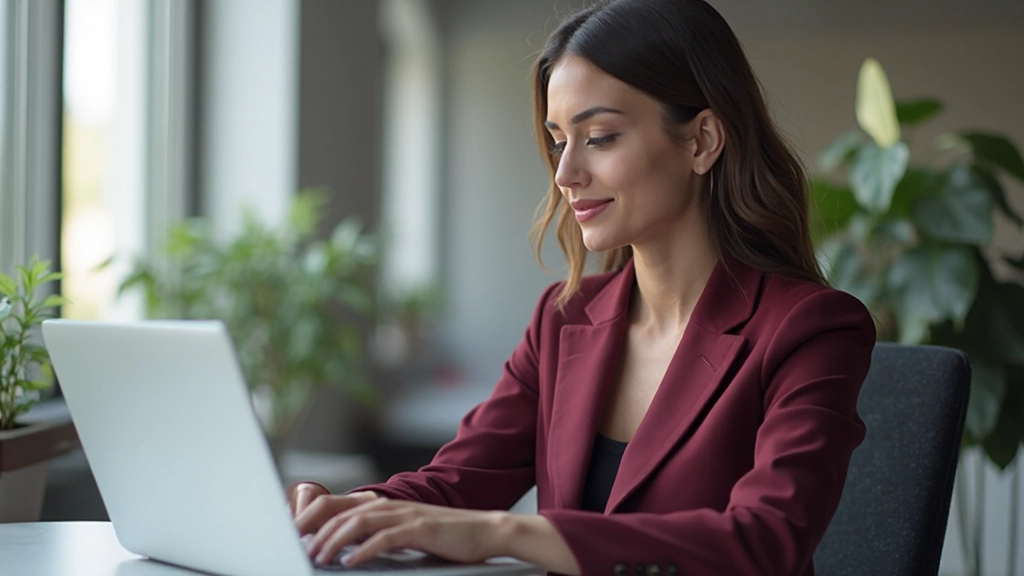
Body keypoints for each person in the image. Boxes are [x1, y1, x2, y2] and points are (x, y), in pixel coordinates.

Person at [291, 0, 876, 574]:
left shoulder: (810, 329)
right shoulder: (563, 318)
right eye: (557, 141)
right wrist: (357, 509)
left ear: (701, 141)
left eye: (599, 137)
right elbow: (459, 481)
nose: (566, 174)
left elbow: (764, 541)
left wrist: (508, 532)